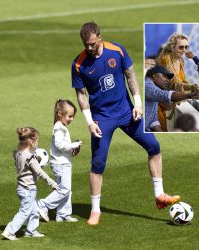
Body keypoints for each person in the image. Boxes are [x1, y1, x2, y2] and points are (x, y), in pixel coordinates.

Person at [71, 21, 180, 226]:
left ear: (100, 38)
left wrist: (137, 104)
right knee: (98, 163)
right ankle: (95, 211)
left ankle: (159, 194)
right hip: (102, 118)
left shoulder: (117, 51)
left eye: (92, 44)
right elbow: (81, 95)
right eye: (85, 44)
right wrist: (88, 122)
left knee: (154, 147)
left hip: (126, 112)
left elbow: (131, 76)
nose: (89, 48)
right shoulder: (78, 64)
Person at [2, 127, 58, 240]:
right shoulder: (30, 157)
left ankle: (31, 231)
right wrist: (52, 183)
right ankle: (9, 231)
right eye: (37, 141)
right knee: (24, 211)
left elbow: (23, 157)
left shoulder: (18, 153)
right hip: (28, 189)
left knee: (34, 210)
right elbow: (39, 172)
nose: (38, 143)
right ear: (31, 141)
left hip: (21, 187)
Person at [37, 99, 83, 222]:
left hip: (62, 163)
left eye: (73, 116)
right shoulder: (59, 128)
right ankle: (42, 205)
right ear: (59, 113)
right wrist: (74, 145)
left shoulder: (61, 126)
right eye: (70, 116)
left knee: (65, 189)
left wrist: (73, 151)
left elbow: (63, 148)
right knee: (65, 189)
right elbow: (58, 144)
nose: (72, 119)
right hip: (60, 164)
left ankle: (63, 214)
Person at [154, 32, 199, 131]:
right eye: (181, 47)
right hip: (159, 104)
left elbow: (181, 80)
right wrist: (191, 88)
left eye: (186, 47)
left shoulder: (181, 60)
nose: (184, 50)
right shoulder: (165, 60)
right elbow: (173, 84)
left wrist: (195, 88)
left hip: (172, 101)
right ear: (172, 47)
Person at [145, 65, 199, 132]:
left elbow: (153, 119)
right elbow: (166, 95)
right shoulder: (147, 85)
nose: (167, 80)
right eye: (165, 76)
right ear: (155, 76)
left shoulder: (154, 90)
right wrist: (189, 96)